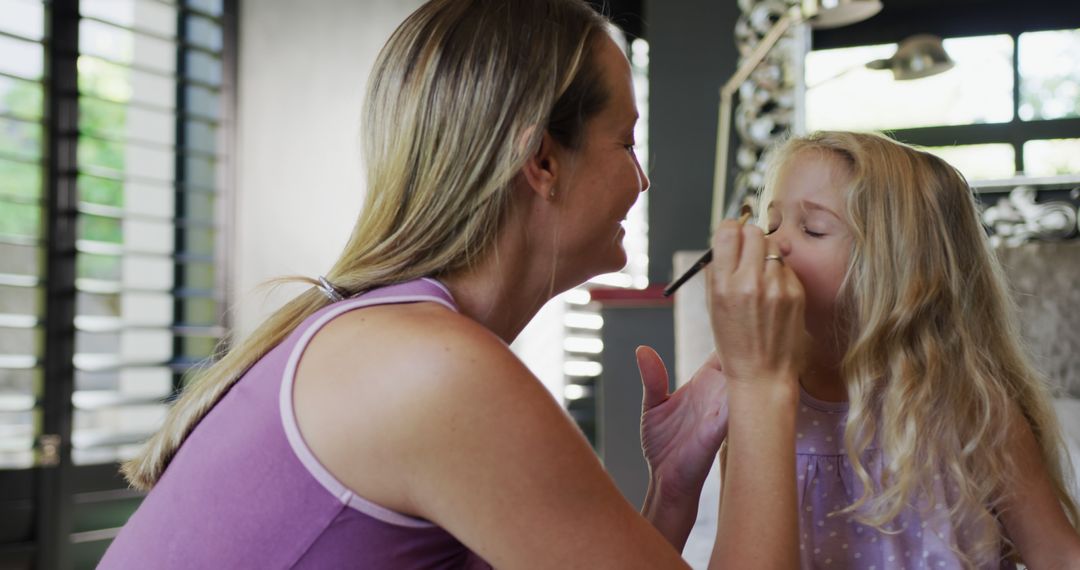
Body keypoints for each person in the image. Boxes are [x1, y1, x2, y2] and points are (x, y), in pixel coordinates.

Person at [99, 1, 807, 568]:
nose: (641, 179)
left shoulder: (396, 338)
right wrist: (766, 381)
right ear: (541, 161)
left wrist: (675, 487)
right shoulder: (433, 373)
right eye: (625, 143)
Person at [745, 130, 1080, 569]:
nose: (773, 243)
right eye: (772, 223)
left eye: (813, 228)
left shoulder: (973, 413)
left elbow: (1056, 554)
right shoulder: (760, 409)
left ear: (902, 272)